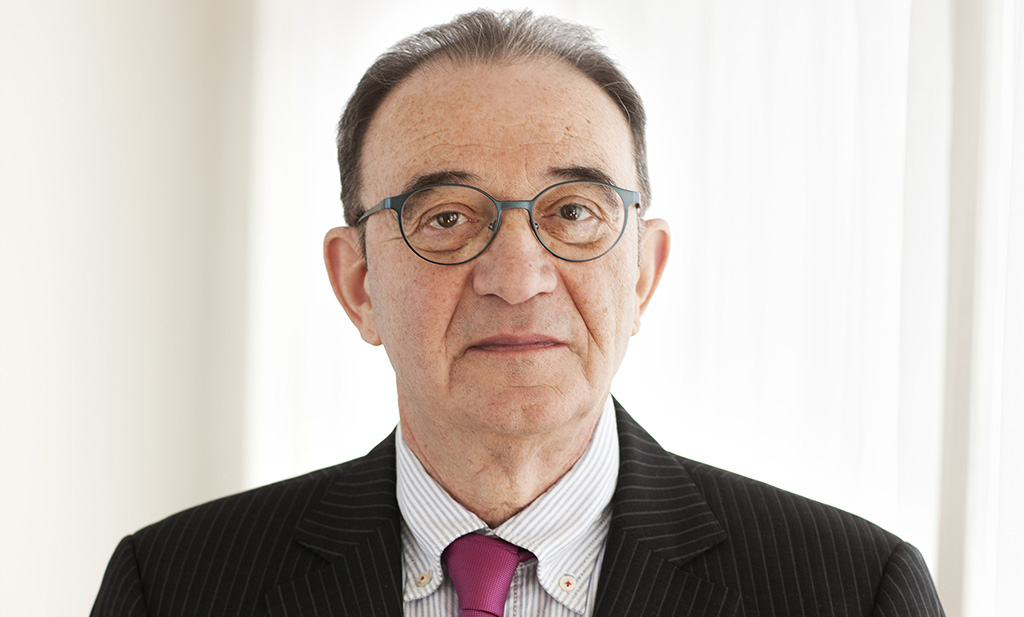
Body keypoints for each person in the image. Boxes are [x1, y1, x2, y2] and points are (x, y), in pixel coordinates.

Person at [92, 9, 944, 617]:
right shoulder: (172, 587)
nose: (517, 276)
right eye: (447, 218)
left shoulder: (853, 590)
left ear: (643, 272)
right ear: (357, 284)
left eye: (573, 211)